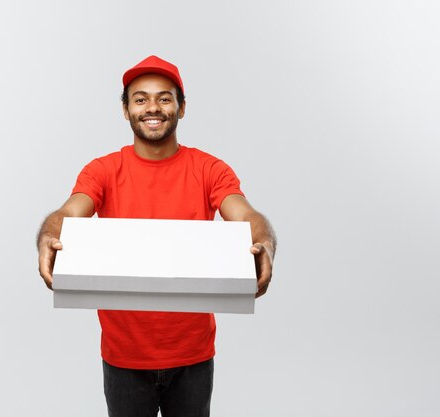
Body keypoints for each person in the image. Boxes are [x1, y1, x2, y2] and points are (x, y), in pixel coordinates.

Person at [37, 55, 277, 417]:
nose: (153, 107)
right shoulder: (103, 170)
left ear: (181, 109)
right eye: (140, 99)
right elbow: (68, 212)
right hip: (123, 357)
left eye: (165, 98)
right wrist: (48, 236)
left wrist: (266, 244)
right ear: (125, 110)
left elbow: (246, 215)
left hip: (193, 357)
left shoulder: (208, 169)